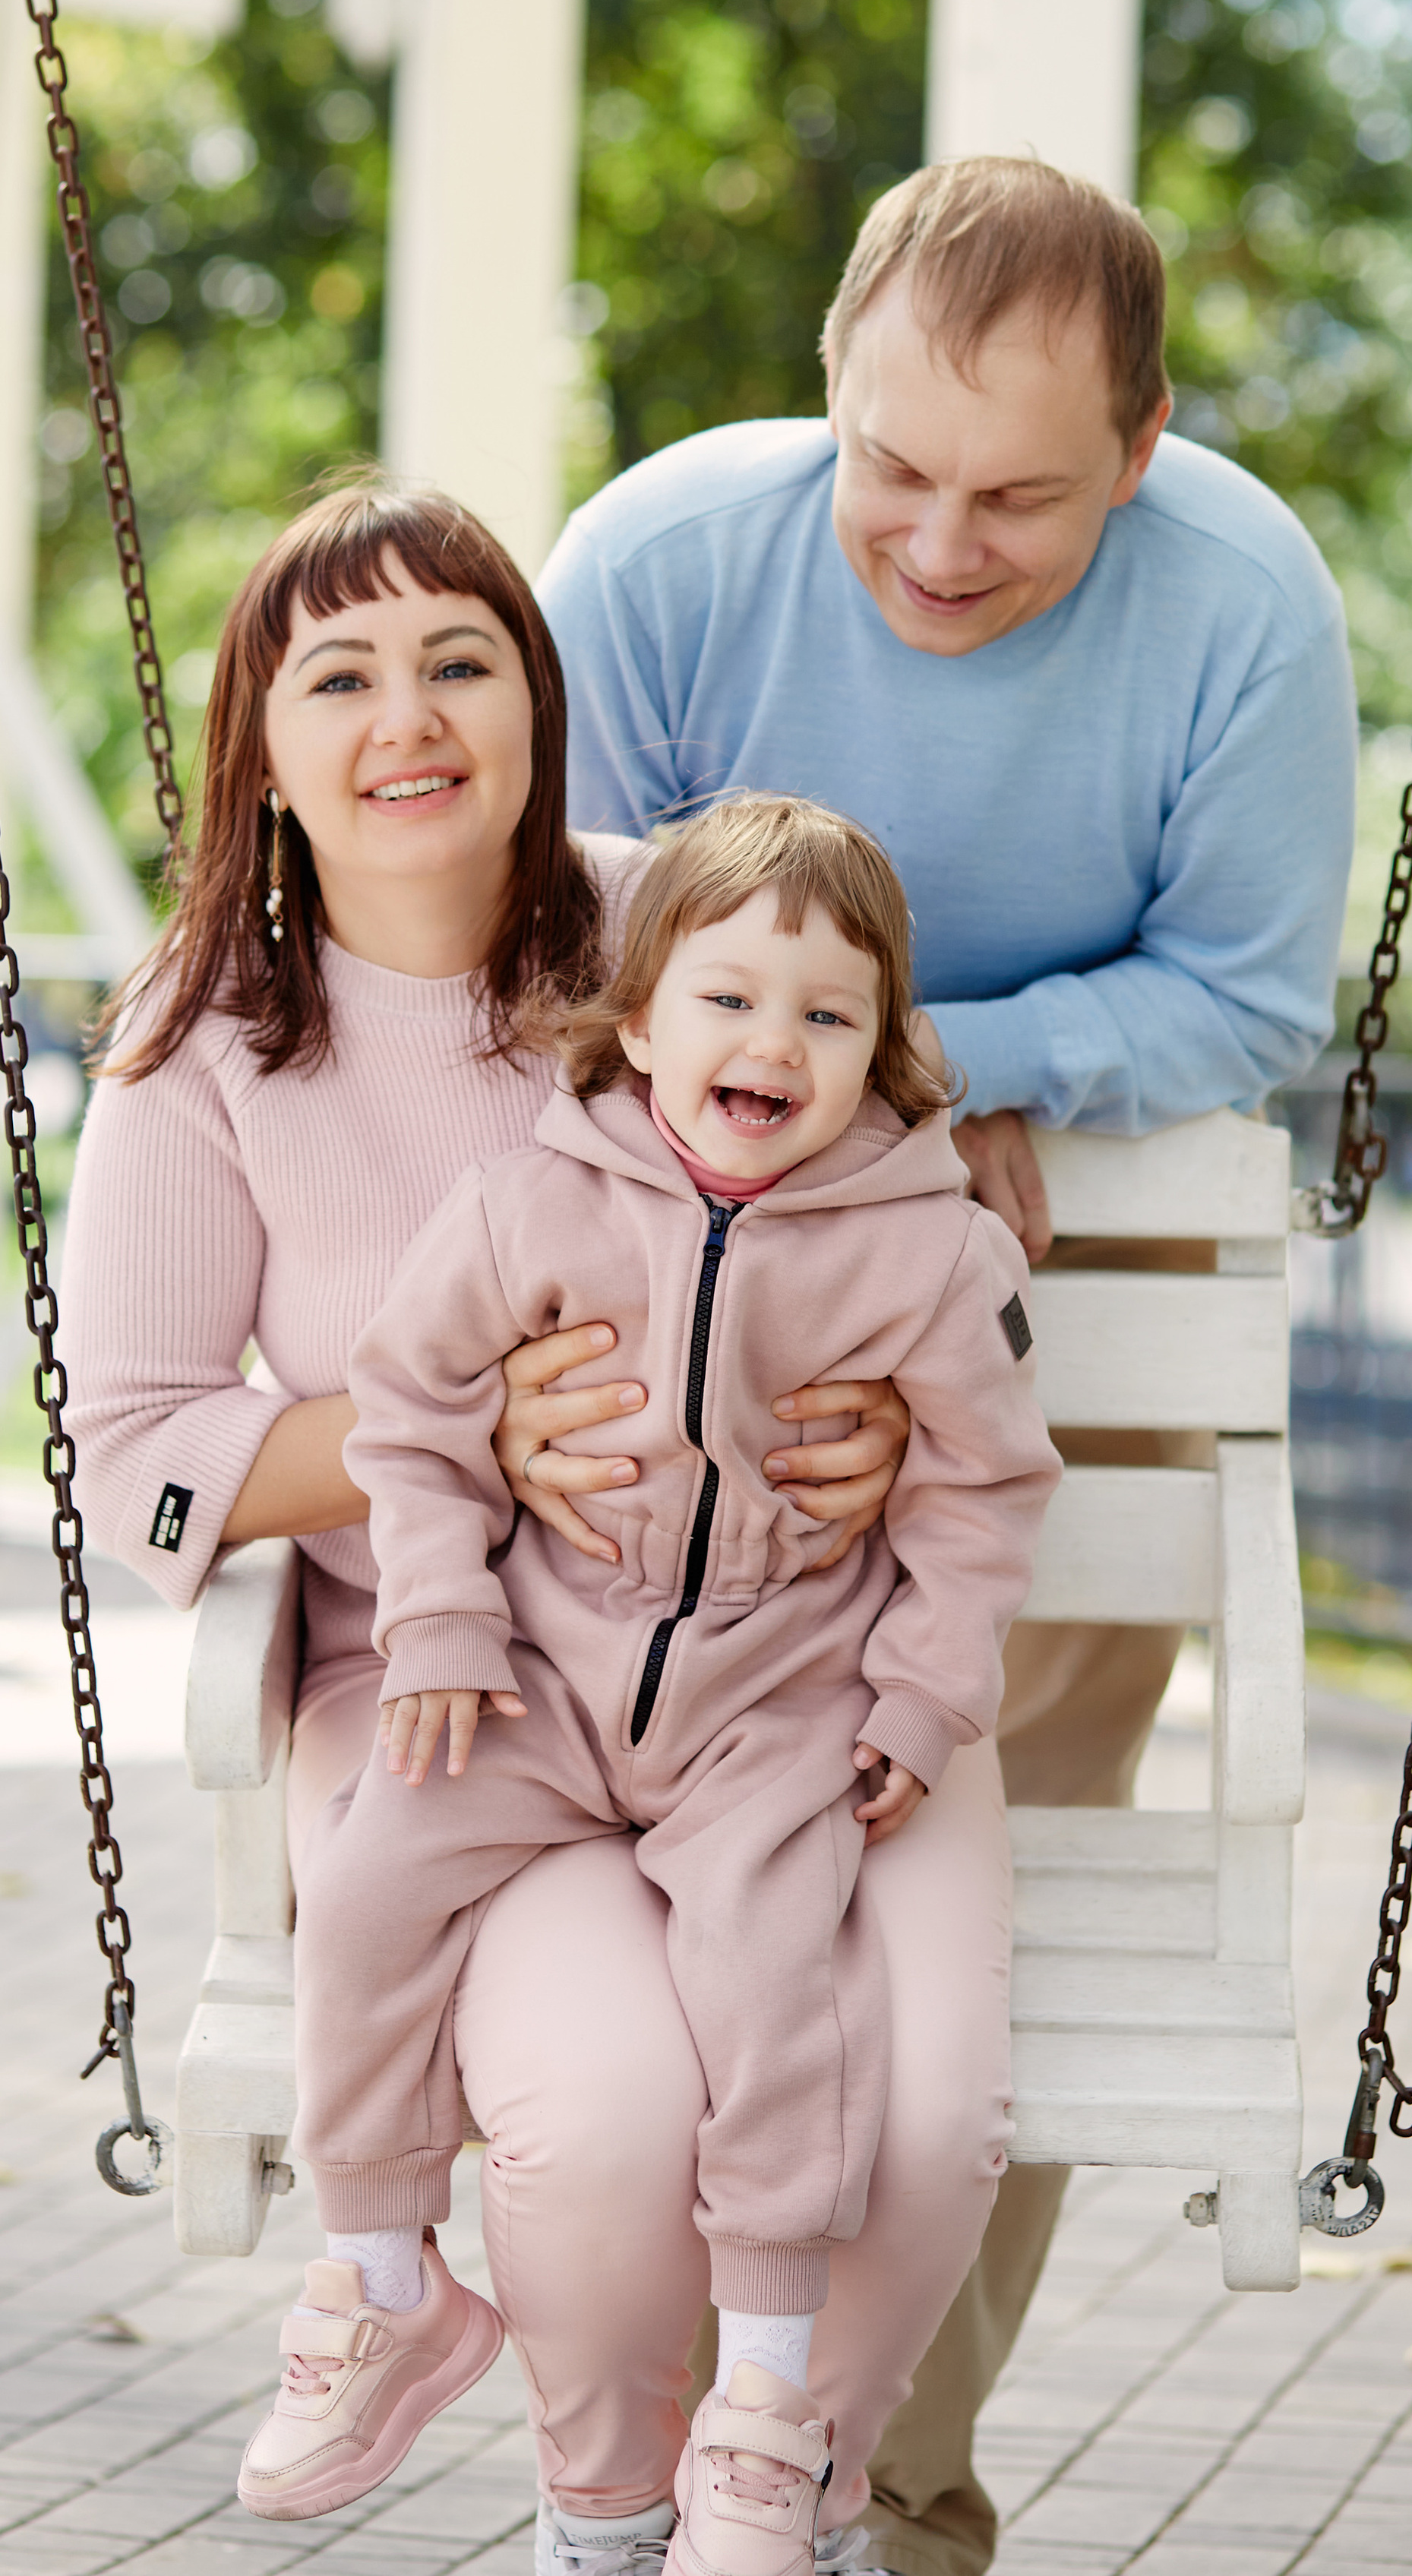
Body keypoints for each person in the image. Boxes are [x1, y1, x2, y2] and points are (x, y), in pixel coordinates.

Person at [534, 156, 1358, 2576]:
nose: (938, 541)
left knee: (970, 1909)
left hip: (1074, 1290)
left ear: (1144, 437)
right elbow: (555, 960)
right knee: (680, 1873)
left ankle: (870, 2481)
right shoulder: (669, 559)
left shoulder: (1242, 606)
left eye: (1021, 492)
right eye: (893, 467)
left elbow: (1245, 985)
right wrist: (875, 1109)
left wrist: (952, 1064)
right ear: (826, 379)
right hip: (695, 1274)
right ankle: (647, 2449)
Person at [62, 481, 1009, 2573]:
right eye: (341, 674)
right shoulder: (206, 1043)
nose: (411, 715)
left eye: (459, 656)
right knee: (602, 2114)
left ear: (534, 695)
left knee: (926, 2110)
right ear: (264, 747)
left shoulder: (681, 927)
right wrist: (460, 1431)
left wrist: (871, 1421)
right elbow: (131, 1451)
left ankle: (801, 2506)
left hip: (797, 1666)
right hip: (447, 1694)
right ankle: (605, 2513)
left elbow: (915, 1181)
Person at [262, 794, 1060, 2555]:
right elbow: (411, 1415)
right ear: (638, 1022)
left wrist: (919, 1698)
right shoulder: (531, 1196)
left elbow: (984, 1491)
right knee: (369, 1869)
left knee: (777, 1989)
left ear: (883, 1052)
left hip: (770, 1711)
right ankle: (378, 2268)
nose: (771, 1041)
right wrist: (443, 1617)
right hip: (536, 1678)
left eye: (826, 1013)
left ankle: (765, 2396)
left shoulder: (927, 1248)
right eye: (725, 998)